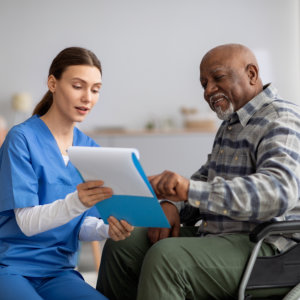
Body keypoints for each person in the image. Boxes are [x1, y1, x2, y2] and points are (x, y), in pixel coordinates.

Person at [97, 43, 300, 299]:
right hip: (221, 236)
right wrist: (173, 203)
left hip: (270, 249)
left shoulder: (282, 118)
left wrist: (188, 189)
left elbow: (278, 192)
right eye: (204, 83)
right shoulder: (230, 124)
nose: (208, 90)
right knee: (124, 243)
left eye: (218, 78)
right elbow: (206, 179)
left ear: (251, 74)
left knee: (168, 259)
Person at [0, 46, 134, 300]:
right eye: (78, 86)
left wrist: (108, 229)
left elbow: (80, 224)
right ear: (53, 83)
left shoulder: (90, 149)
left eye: (95, 90)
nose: (88, 98)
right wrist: (78, 201)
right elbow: (27, 223)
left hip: (58, 272)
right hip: (10, 268)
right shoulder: (22, 139)